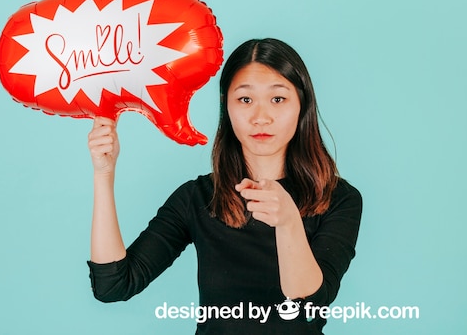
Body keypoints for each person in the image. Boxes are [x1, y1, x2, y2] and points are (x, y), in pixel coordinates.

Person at [87, 38, 362, 334]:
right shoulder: (198, 198)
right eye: (245, 99)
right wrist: (104, 175)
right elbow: (113, 285)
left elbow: (309, 306)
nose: (260, 117)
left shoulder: (338, 199)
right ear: (225, 107)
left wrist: (288, 222)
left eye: (278, 99)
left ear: (302, 105)